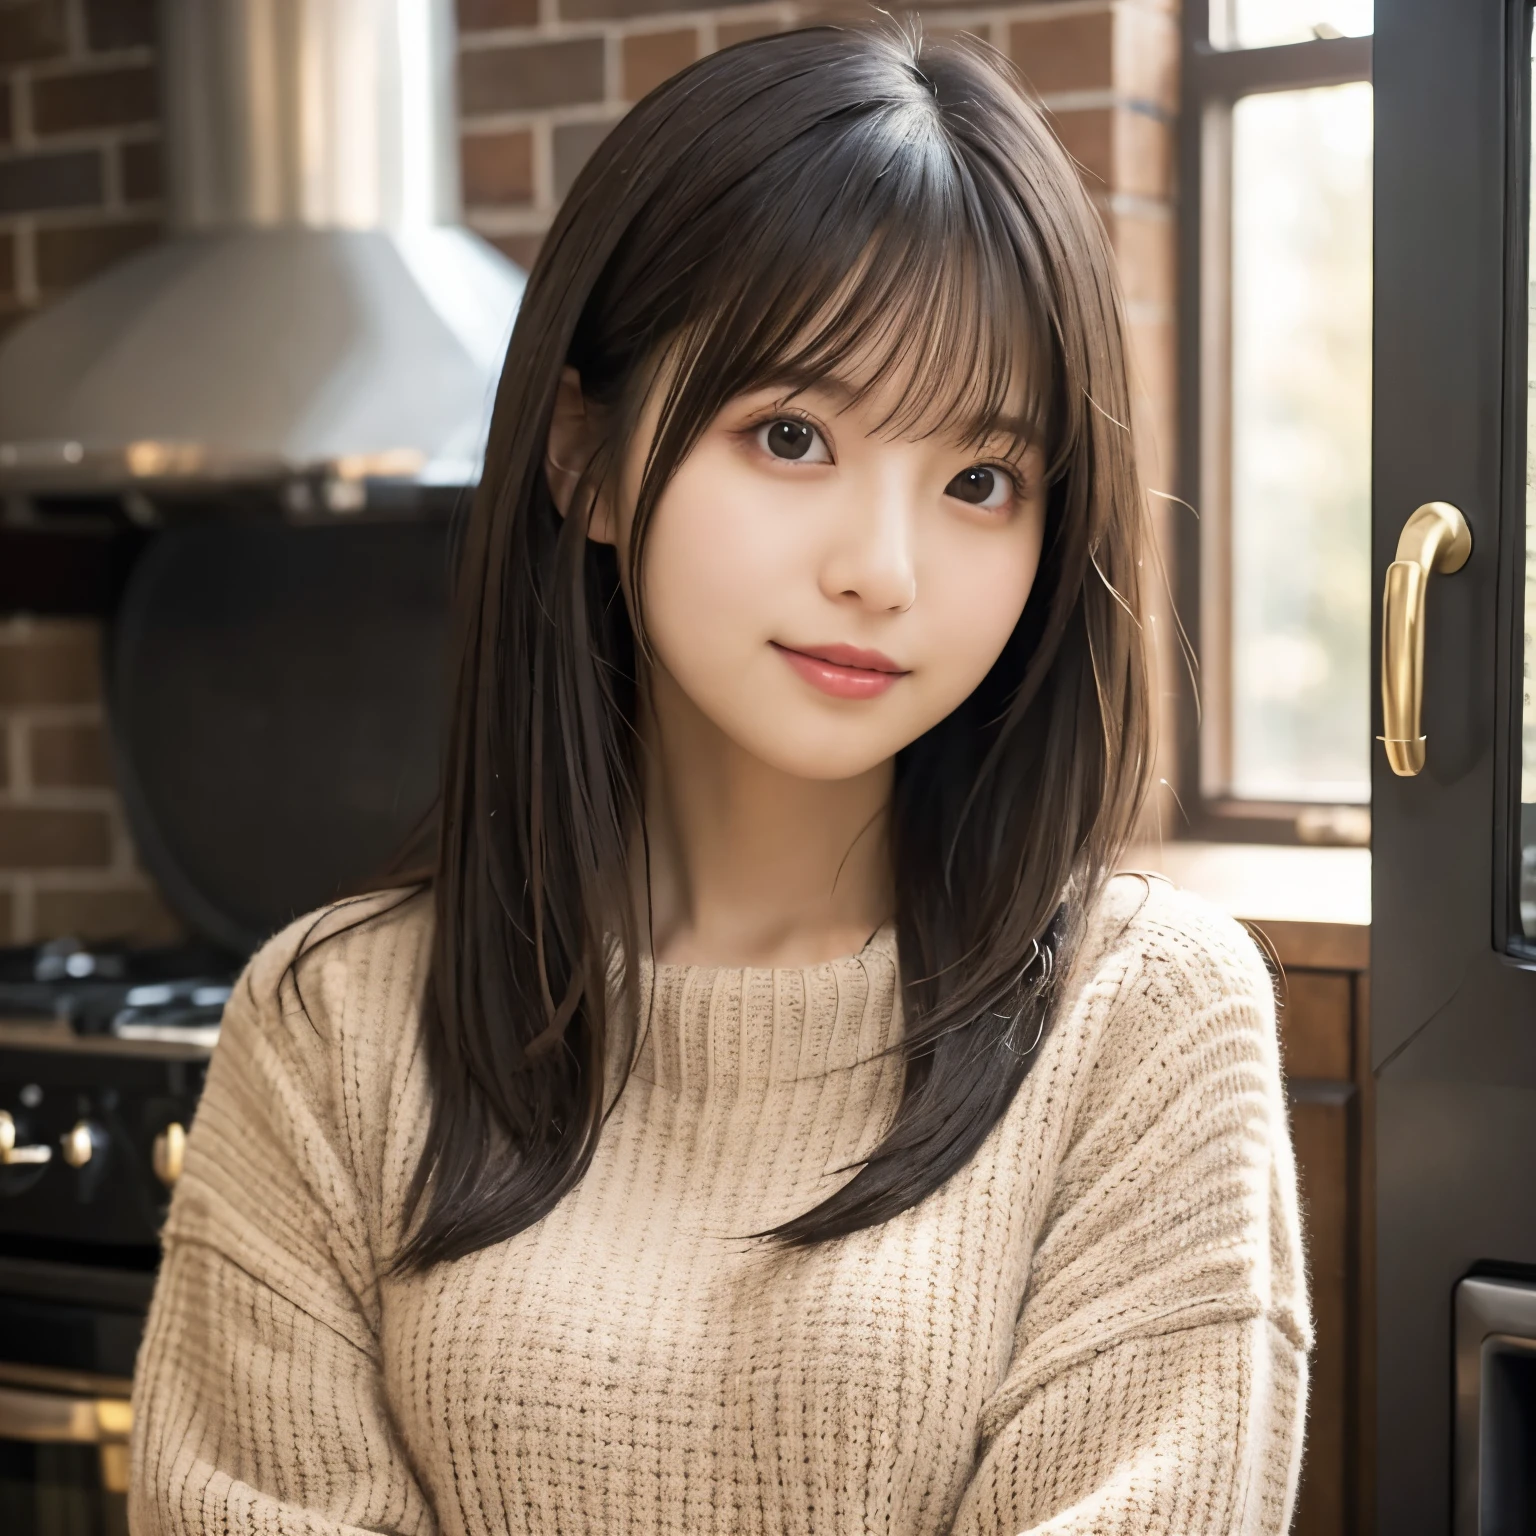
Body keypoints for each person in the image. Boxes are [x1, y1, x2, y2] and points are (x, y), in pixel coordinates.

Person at [129, 23, 1310, 1535]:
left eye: (980, 481)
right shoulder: (331, 1030)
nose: (883, 569)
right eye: (793, 434)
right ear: (587, 457)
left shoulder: (1141, 1021)